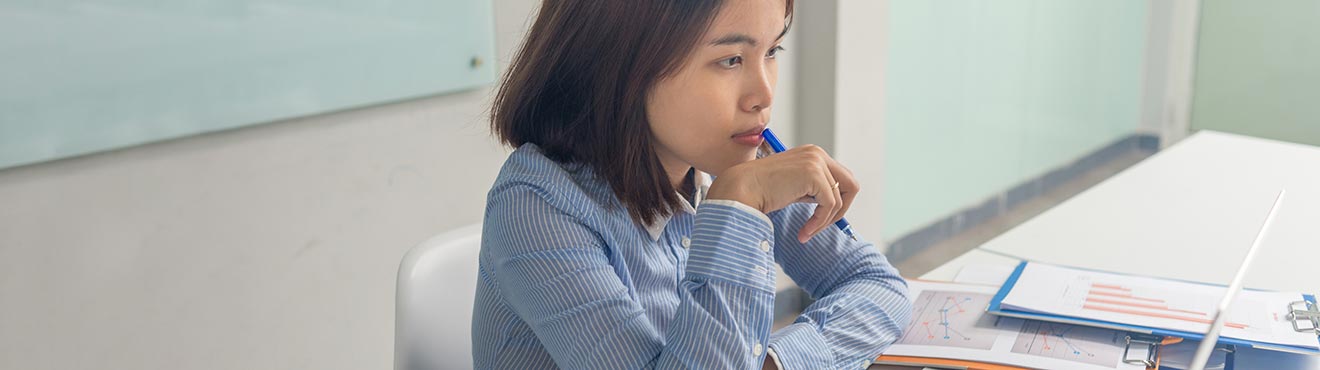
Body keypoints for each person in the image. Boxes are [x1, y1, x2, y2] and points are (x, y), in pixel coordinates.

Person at [472, 0, 911, 368]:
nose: (763, 94)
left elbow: (879, 285)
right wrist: (735, 209)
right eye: (730, 59)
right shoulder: (536, 207)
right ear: (623, 65)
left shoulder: (729, 156)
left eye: (772, 51)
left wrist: (776, 362)